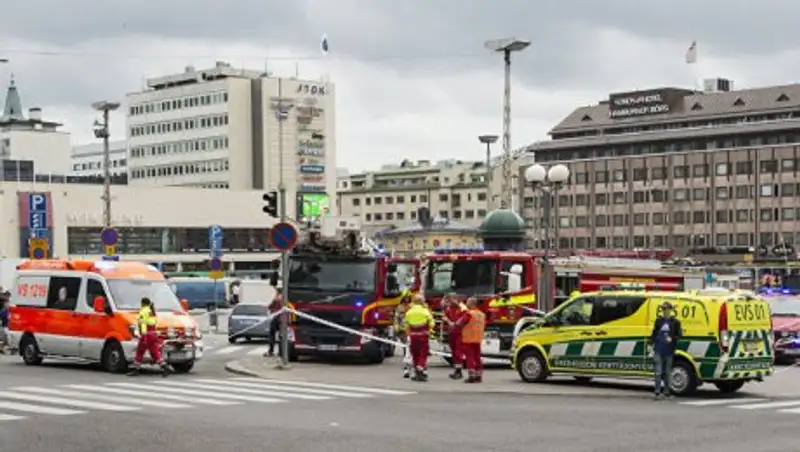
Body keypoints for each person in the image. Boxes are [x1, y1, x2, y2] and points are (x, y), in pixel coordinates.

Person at [127, 297, 170, 377]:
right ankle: (164, 367)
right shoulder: (152, 311)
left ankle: (136, 370)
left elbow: (143, 324)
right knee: (155, 353)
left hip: (147, 334)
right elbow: (154, 323)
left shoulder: (143, 311)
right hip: (153, 334)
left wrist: (143, 335)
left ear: (143, 303)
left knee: (140, 352)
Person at [649, 301, 682, 398]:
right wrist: (652, 343)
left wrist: (672, 339)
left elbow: (679, 335)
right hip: (658, 349)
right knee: (658, 371)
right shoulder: (658, 321)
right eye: (663, 309)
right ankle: (657, 391)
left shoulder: (675, 322)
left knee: (667, 372)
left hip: (669, 350)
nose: (665, 311)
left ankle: (667, 391)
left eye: (666, 309)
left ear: (671, 310)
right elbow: (654, 333)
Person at [403, 294, 435, 382]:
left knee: (415, 354)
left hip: (413, 336)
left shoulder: (409, 312)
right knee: (423, 353)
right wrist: (429, 330)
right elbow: (432, 323)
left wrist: (409, 334)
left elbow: (406, 325)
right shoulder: (425, 311)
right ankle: (420, 368)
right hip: (423, 336)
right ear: (422, 301)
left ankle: (418, 373)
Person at [459, 297, 486, 383]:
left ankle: (471, 376)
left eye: (467, 302)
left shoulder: (469, 314)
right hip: (478, 338)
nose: (466, 304)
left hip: (468, 338)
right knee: (477, 357)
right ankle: (478, 375)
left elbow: (460, 323)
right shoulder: (482, 314)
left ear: (471, 304)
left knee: (469, 357)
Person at [443, 295, 468, 379]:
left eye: (453, 300)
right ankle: (456, 369)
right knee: (454, 352)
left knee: (458, 351)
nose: (451, 302)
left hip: (460, 332)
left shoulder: (462, 308)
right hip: (451, 332)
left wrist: (455, 323)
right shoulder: (449, 308)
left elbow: (464, 318)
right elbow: (444, 316)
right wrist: (448, 321)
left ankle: (459, 371)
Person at [394, 290, 413, 378]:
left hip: (411, 329)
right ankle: (406, 364)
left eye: (408, 297)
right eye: (405, 298)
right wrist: (396, 326)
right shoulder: (399, 307)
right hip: (402, 330)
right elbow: (396, 318)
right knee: (405, 347)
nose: (406, 299)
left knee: (409, 348)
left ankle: (409, 364)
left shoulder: (412, 306)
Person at [265, 287, 285, 357]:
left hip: (277, 318)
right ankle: (281, 352)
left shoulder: (277, 298)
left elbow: (269, 306)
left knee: (272, 334)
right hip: (283, 319)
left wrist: (272, 310)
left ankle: (271, 351)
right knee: (282, 336)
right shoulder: (284, 298)